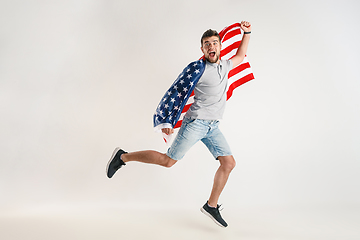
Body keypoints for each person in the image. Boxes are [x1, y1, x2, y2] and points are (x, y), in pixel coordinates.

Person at [106, 21, 252, 228]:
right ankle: (123, 156)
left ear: (220, 46)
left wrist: (247, 33)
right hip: (195, 124)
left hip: (213, 126)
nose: (211, 47)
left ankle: (211, 205)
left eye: (214, 43)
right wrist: (167, 120)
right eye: (207, 44)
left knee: (228, 163)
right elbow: (176, 92)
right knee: (168, 161)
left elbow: (240, 55)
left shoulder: (225, 65)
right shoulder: (197, 69)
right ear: (202, 49)